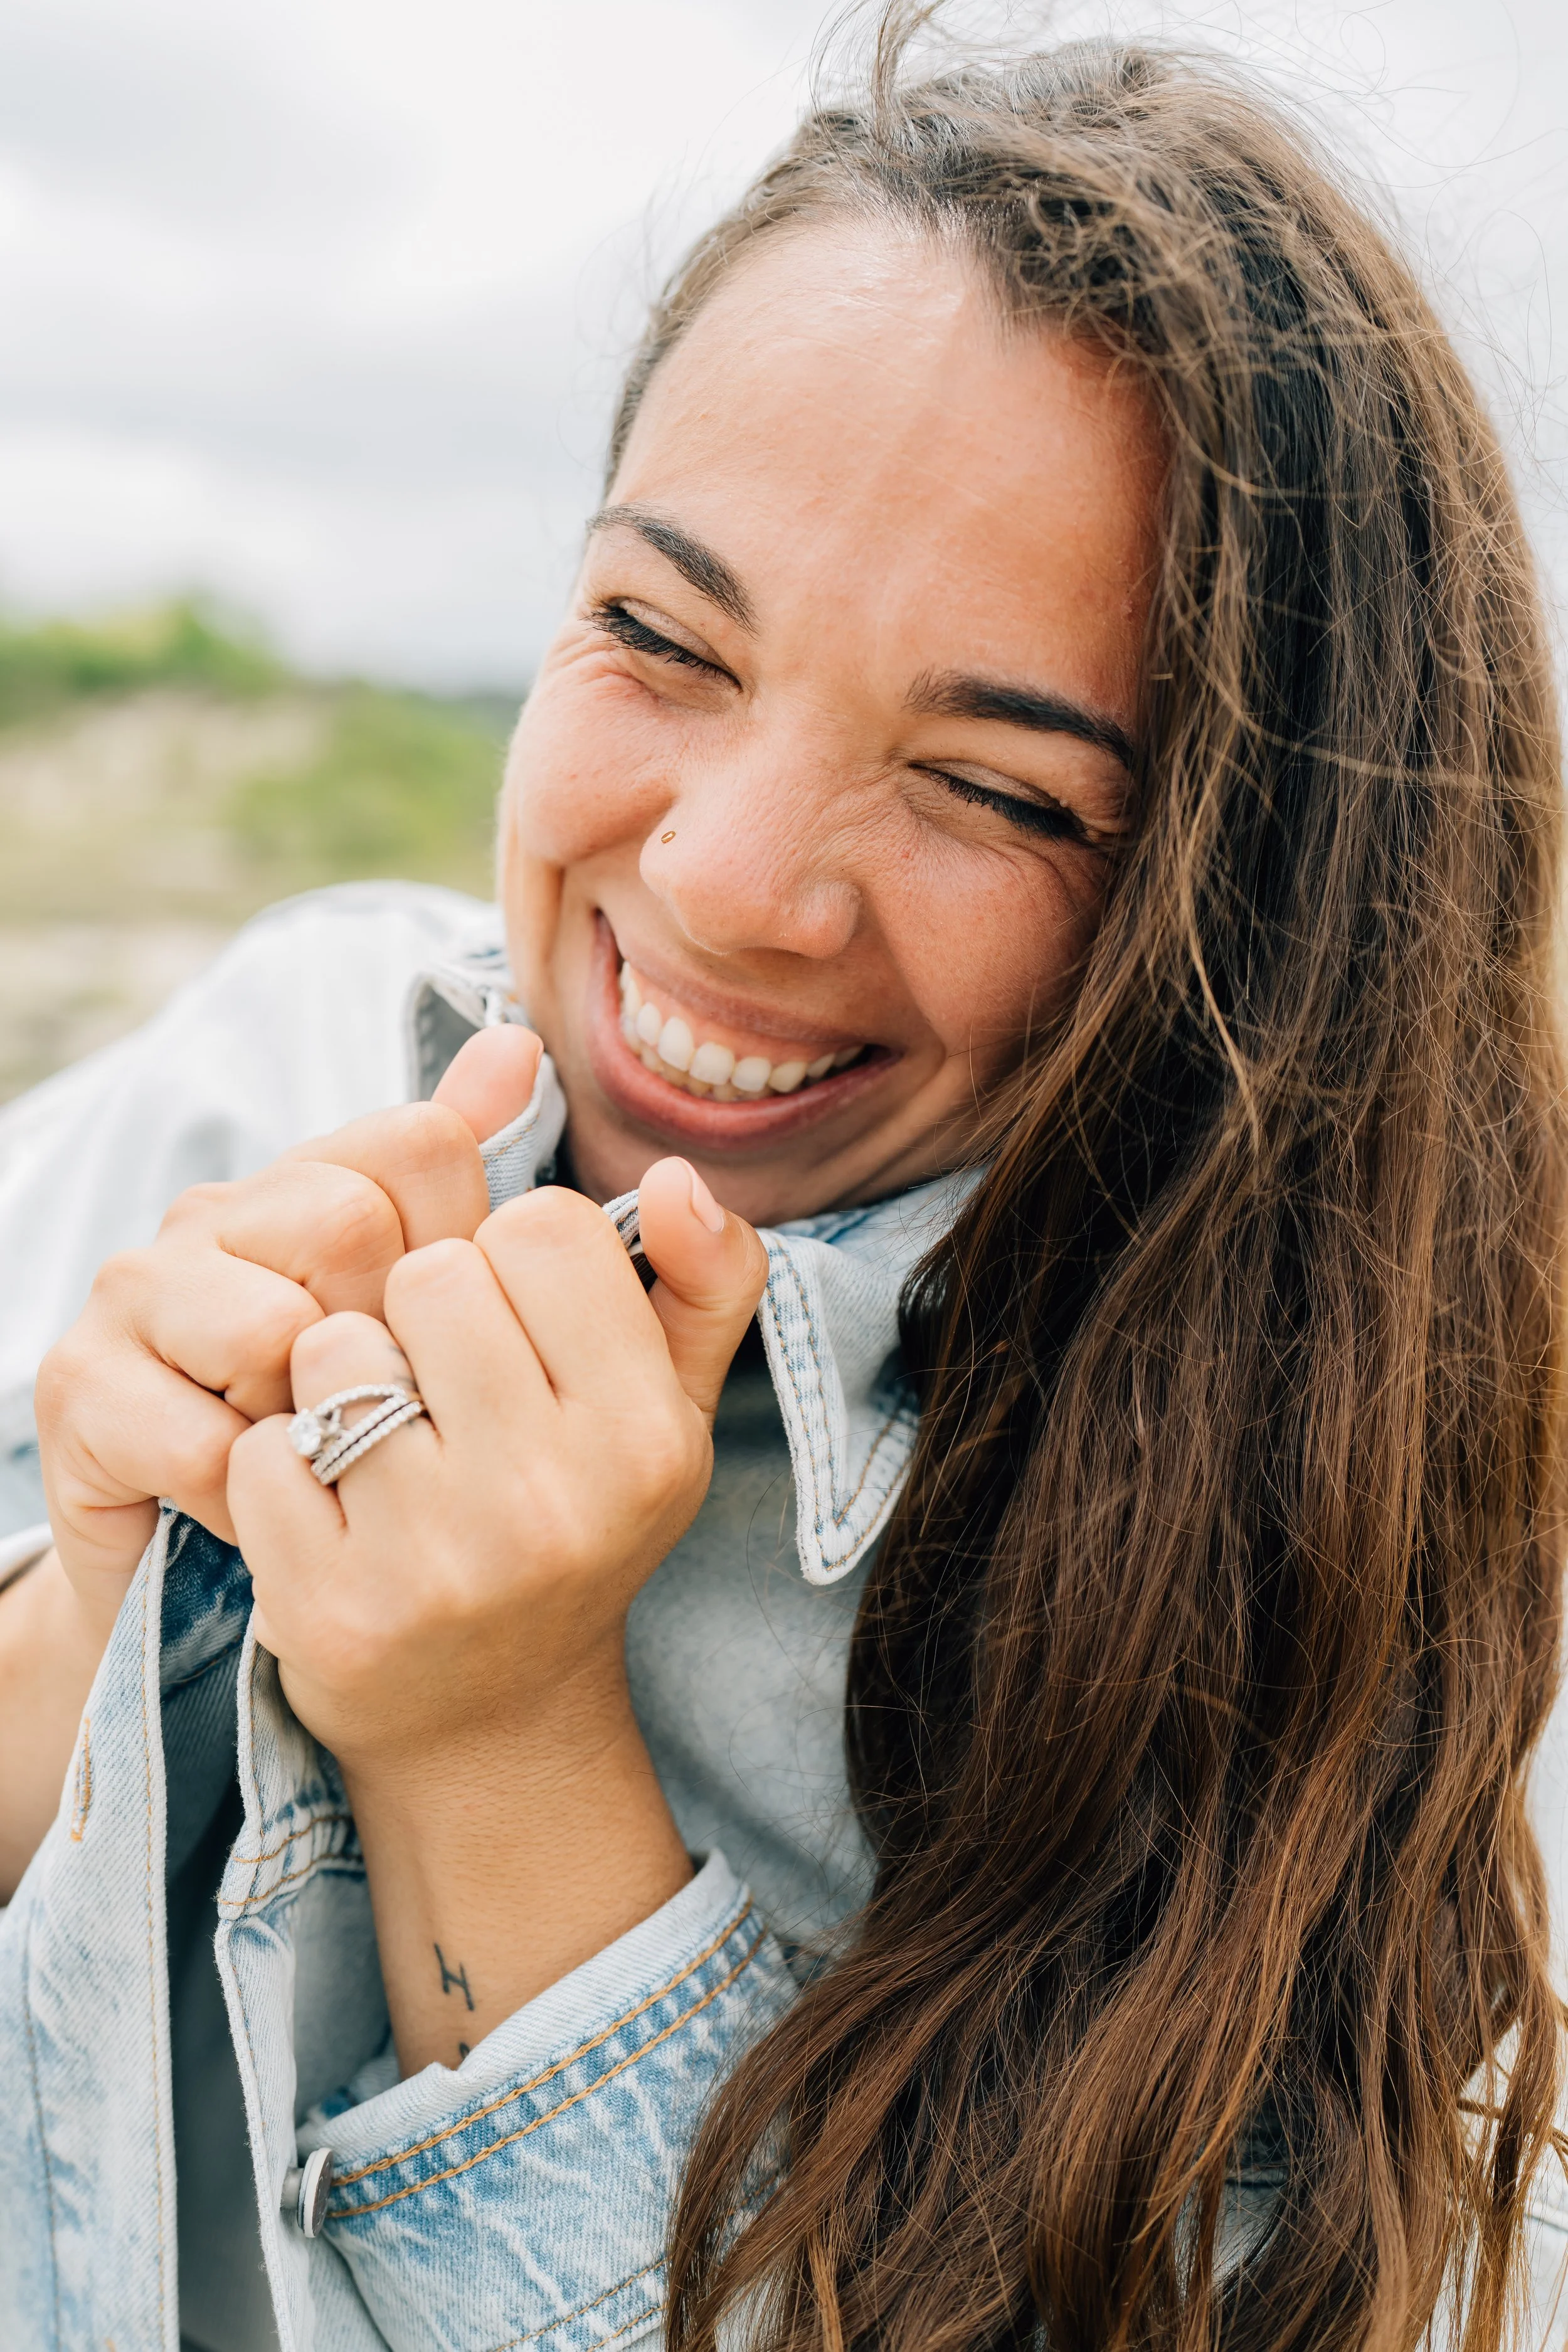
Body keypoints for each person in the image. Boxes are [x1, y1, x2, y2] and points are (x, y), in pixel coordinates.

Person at [2, 12, 1565, 2350]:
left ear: (1259, 919)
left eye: (1001, 789)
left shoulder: (1344, 1614)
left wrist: (497, 1750)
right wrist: (97, 1615)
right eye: (657, 631)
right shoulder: (260, 1069)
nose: (729, 886)